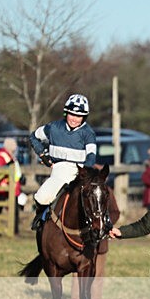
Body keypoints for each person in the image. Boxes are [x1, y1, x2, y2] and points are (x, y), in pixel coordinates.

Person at [29, 94, 96, 230]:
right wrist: (43, 155)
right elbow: (33, 137)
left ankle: (101, 227)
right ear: (66, 113)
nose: (74, 119)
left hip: (80, 173)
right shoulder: (53, 128)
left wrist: (84, 175)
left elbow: (91, 156)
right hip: (59, 171)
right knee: (41, 197)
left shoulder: (88, 133)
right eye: (72, 114)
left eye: (79, 116)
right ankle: (41, 222)